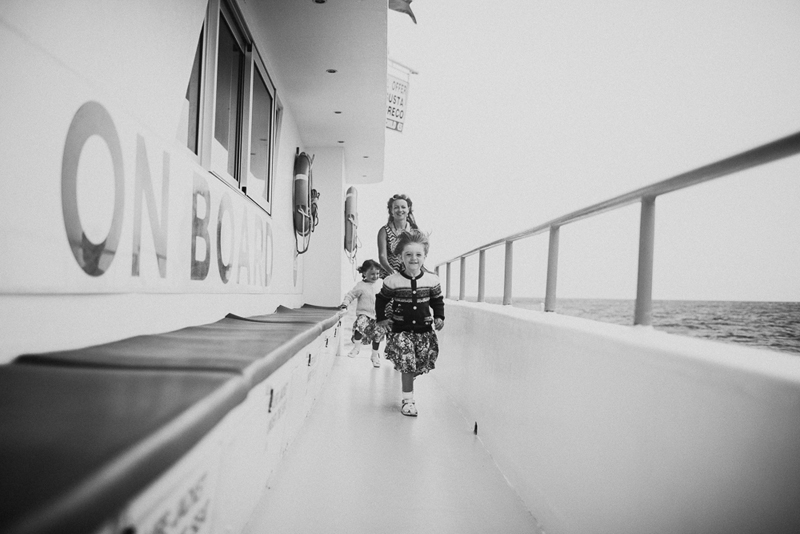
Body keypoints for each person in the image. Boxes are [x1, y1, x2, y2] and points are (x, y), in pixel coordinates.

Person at [375, 230, 444, 417]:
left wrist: (439, 317)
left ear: (425, 256)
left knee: (421, 363)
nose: (414, 258)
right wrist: (381, 318)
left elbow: (437, 300)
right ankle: (408, 401)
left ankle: (409, 377)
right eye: (408, 254)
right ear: (401, 257)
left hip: (424, 331)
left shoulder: (431, 280)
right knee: (407, 362)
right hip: (400, 331)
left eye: (418, 254)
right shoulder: (393, 281)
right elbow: (381, 300)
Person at [339, 259, 385, 367]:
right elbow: (351, 295)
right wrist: (345, 303)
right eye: (372, 274)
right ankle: (356, 347)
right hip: (365, 313)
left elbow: (388, 295)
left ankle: (374, 356)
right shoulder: (361, 286)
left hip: (378, 315)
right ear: (364, 273)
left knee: (377, 336)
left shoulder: (381, 283)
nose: (375, 276)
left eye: (377, 273)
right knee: (360, 325)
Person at [377, 193, 419, 278]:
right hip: (389, 275)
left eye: (403, 207)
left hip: (409, 275)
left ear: (408, 209)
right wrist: (392, 272)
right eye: (396, 207)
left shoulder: (414, 231)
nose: (400, 210)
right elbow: (382, 256)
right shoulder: (384, 231)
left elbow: (418, 255)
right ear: (391, 211)